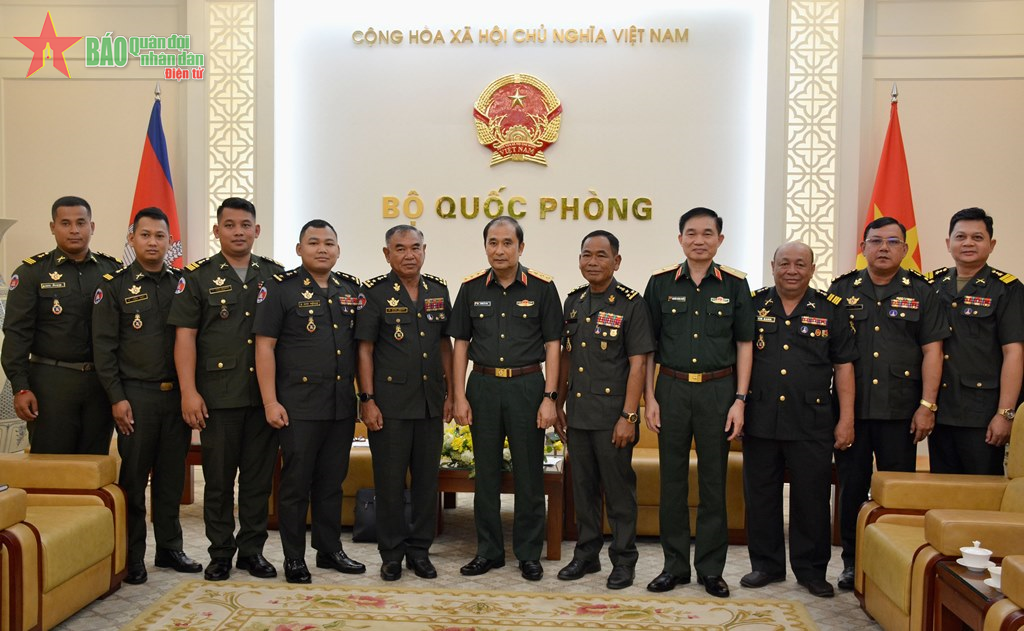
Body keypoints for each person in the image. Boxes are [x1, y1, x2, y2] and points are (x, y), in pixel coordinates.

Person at [828, 217, 948, 590]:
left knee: (897, 491)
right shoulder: (841, 289)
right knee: (851, 489)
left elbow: (934, 351)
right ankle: (852, 562)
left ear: (904, 249)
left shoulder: (923, 292)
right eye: (875, 241)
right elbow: (829, 354)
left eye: (892, 242)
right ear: (862, 247)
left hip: (901, 411)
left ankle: (894, 560)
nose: (883, 248)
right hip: (853, 412)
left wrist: (927, 405)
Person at [168, 197, 284, 581]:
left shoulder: (275, 275)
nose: (238, 231)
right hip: (217, 397)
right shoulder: (197, 277)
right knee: (218, 481)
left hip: (264, 397)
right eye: (230, 225)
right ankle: (220, 553)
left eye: (245, 224)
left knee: (256, 479)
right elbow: (185, 338)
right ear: (217, 231)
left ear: (257, 230)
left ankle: (252, 551)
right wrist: (189, 392)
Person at [642, 206, 753, 598]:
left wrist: (739, 399)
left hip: (717, 392)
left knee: (713, 483)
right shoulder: (658, 284)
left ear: (720, 240)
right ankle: (674, 567)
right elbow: (647, 347)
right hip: (671, 390)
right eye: (691, 233)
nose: (699, 240)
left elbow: (744, 344)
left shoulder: (736, 285)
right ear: (680, 239)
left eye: (708, 233)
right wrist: (649, 397)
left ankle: (710, 569)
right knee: (672, 482)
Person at [739, 242, 856, 599]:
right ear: (772, 265)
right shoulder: (754, 304)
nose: (792, 269)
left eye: (800, 264)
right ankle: (766, 565)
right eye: (785, 263)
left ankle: (810, 570)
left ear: (812, 268)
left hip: (813, 420)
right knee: (761, 496)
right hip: (760, 417)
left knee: (812, 498)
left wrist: (846, 418)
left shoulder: (829, 308)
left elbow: (845, 367)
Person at [92, 207, 202, 585]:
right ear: (131, 238)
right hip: (135, 397)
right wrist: (116, 397)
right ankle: (132, 555)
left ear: (170, 242)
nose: (152, 242)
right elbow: (103, 349)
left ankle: (170, 548)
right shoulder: (115, 285)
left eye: (160, 236)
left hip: (176, 398)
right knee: (134, 481)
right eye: (145, 235)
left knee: (172, 479)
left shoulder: (184, 283)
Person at [449, 216, 562, 581]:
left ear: (521, 247)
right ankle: (489, 551)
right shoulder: (470, 288)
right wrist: (458, 394)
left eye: (507, 243)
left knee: (529, 473)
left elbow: (554, 346)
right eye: (493, 242)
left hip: (527, 387)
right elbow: (460, 345)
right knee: (485, 474)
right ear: (485, 247)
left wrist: (550, 398)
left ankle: (529, 553)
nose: (499, 249)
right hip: (482, 387)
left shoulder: (543, 288)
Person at [253, 219, 366, 584]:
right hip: (298, 405)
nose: (322, 249)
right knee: (296, 484)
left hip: (339, 405)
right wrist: (270, 401)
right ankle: (294, 558)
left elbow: (362, 349)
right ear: (299, 249)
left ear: (338, 249)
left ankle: (329, 550)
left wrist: (364, 398)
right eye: (313, 242)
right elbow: (264, 347)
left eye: (329, 243)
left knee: (333, 480)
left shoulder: (350, 290)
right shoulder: (280, 289)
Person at [555, 230, 654, 590]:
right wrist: (558, 402)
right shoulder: (573, 302)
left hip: (614, 417)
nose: (592, 262)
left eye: (601, 255)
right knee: (582, 489)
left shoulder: (631, 304)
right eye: (586, 255)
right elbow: (567, 357)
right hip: (579, 414)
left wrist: (629, 415)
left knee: (618, 492)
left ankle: (624, 560)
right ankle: (586, 555)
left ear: (617, 261)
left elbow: (639, 364)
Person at [355, 225, 453, 581]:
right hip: (391, 405)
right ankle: (392, 553)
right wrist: (367, 400)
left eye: (415, 247)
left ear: (425, 250)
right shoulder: (375, 294)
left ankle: (420, 551)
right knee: (390, 482)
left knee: (427, 482)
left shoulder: (438, 291)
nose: (409, 255)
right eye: (400, 248)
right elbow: (364, 350)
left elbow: (446, 345)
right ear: (387, 254)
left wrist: (452, 394)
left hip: (429, 404)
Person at [1, 195, 120, 454]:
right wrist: (20, 387)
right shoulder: (32, 273)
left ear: (92, 226)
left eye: (81, 222)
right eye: (65, 223)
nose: (74, 230)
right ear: (53, 227)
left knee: (94, 466)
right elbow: (16, 334)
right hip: (51, 383)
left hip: (101, 385)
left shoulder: (112, 272)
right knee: (51, 467)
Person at [927, 208, 1023, 474]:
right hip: (940, 410)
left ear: (991, 245)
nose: (968, 243)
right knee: (943, 495)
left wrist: (1005, 414)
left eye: (977, 237)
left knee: (982, 496)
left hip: (982, 413)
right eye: (961, 236)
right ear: (949, 243)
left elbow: (1014, 353)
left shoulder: (1007, 289)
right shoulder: (932, 286)